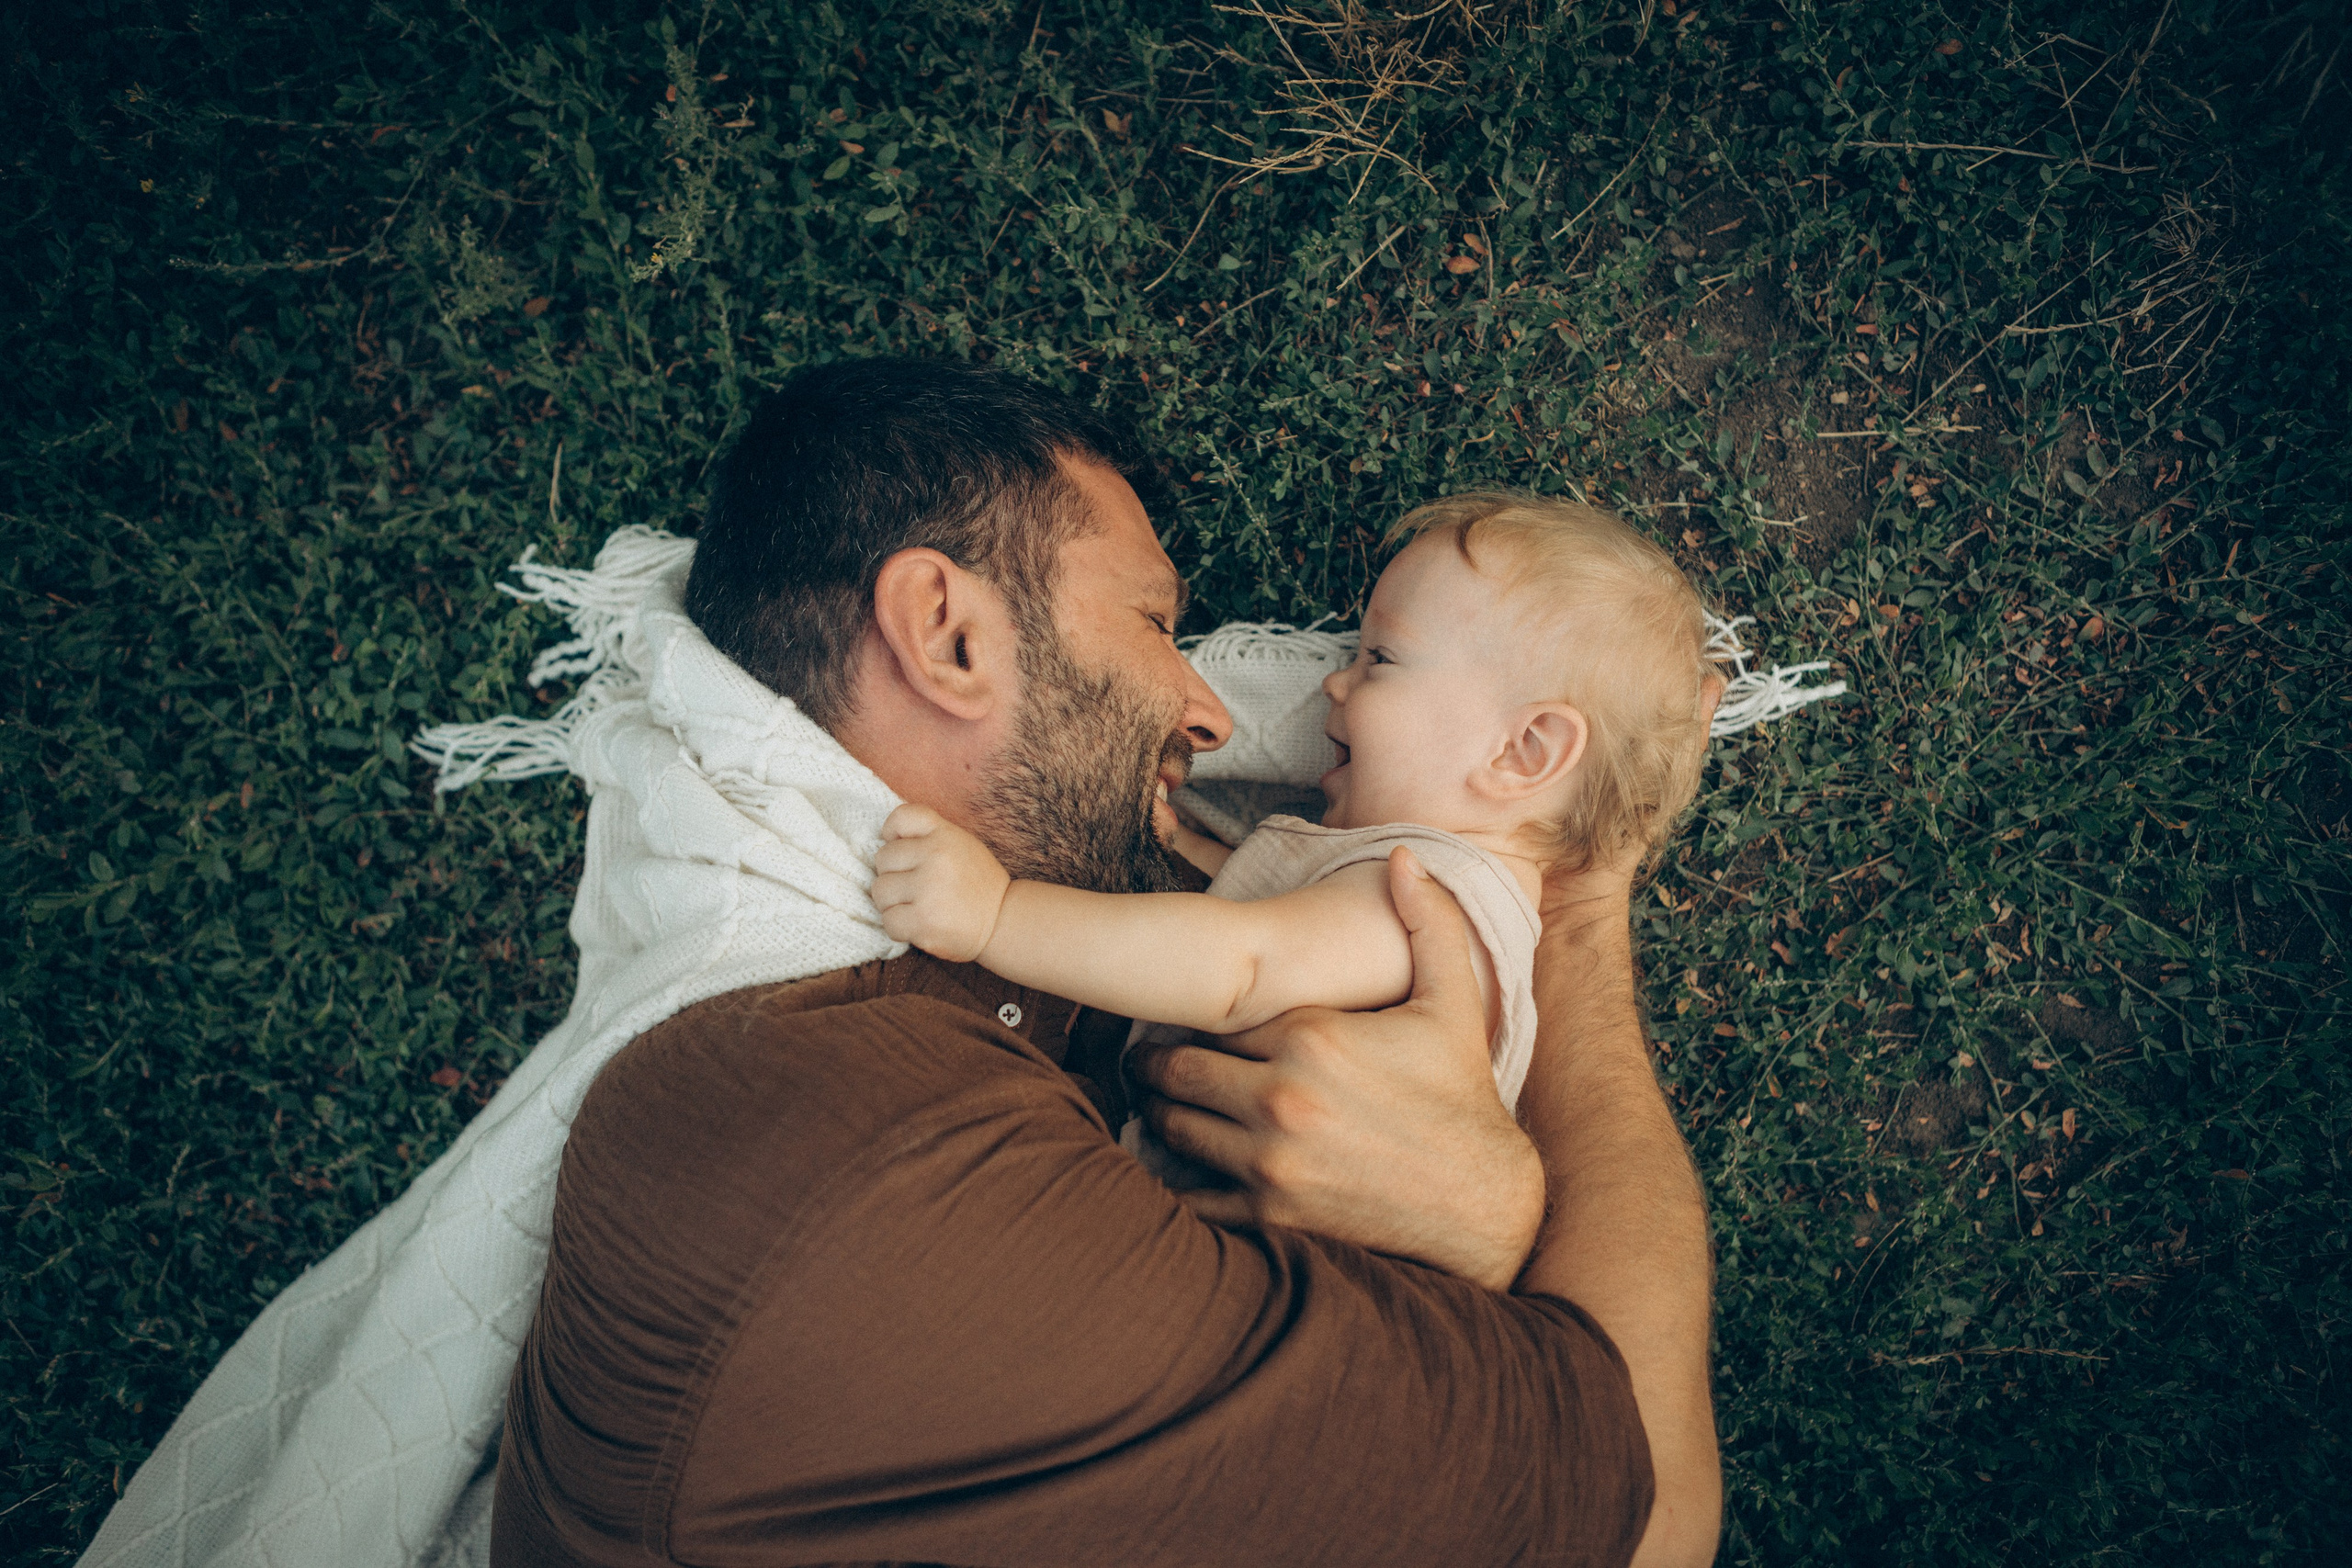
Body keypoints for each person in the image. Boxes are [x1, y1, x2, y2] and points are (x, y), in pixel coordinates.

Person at [488, 357, 1723, 1568]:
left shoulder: (856, 1047)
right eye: (1153, 622)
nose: (1213, 711)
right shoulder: (887, 1174)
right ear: (946, 634)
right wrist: (1486, 1227)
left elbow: (1232, 962)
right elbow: (1649, 1520)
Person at [869, 492, 1720, 1193]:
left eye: (1380, 658)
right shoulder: (1408, 873)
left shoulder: (1436, 908)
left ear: (1523, 751)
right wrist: (1187, 852)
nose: (1333, 682)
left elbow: (1240, 970)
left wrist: (995, 914)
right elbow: (1267, 922)